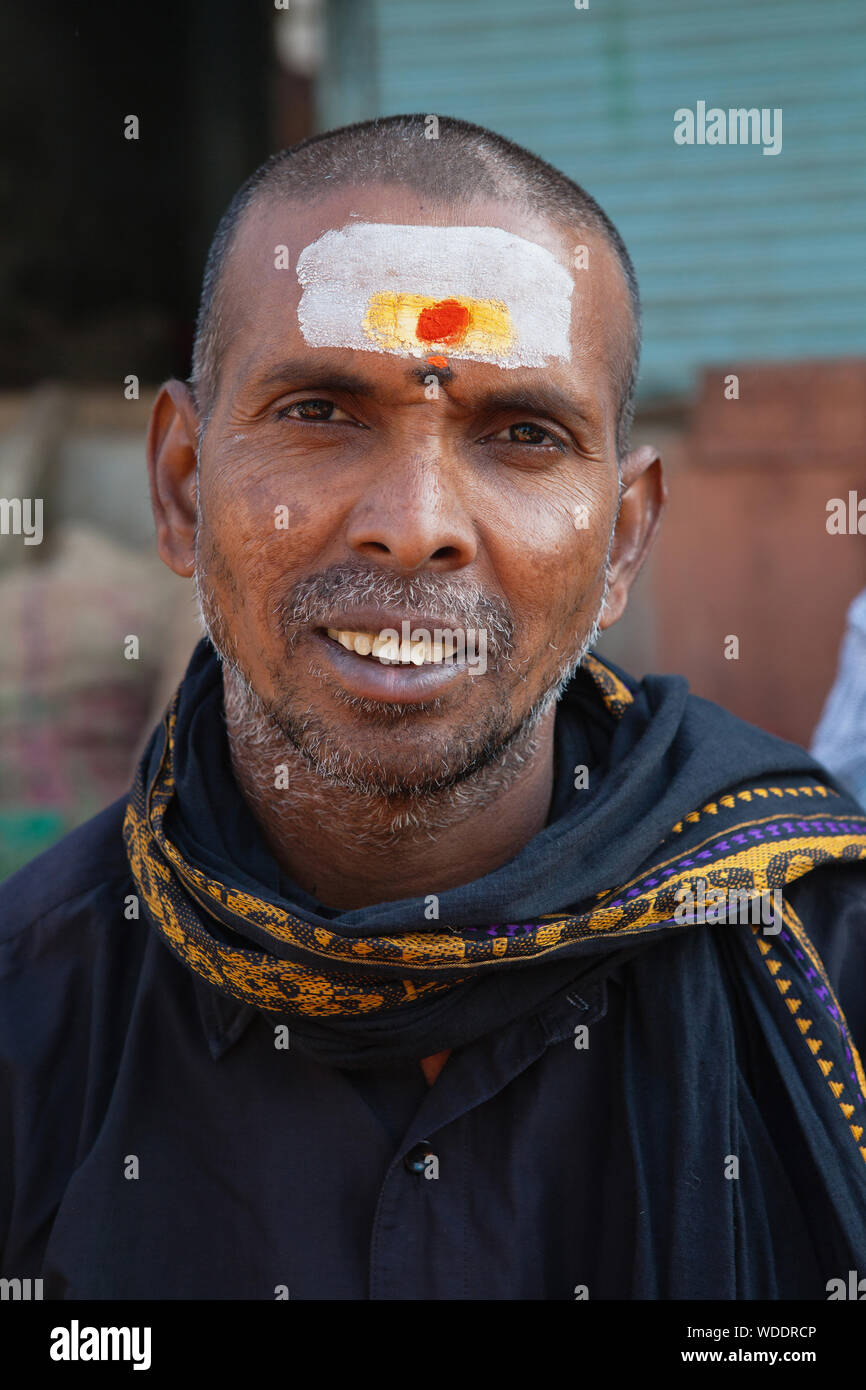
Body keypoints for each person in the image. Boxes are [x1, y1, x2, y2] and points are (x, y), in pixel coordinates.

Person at [2, 115, 865, 1301]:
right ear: (181, 486)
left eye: (519, 433)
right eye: (320, 411)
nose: (414, 524)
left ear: (622, 540)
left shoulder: (825, 959)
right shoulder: (31, 1013)